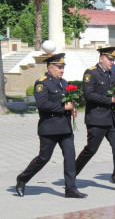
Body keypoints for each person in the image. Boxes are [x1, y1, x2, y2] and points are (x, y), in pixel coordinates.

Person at [16, 53, 86, 198]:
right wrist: (63, 108)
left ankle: (71, 189)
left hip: (65, 128)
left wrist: (72, 109)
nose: (62, 70)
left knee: (70, 157)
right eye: (59, 67)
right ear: (50, 67)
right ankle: (22, 178)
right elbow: (43, 105)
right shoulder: (42, 83)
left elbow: (67, 101)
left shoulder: (64, 83)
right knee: (44, 158)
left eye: (63, 67)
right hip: (50, 128)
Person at [75, 47, 115, 191]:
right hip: (97, 118)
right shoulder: (91, 73)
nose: (112, 62)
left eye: (113, 59)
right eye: (109, 59)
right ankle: (72, 173)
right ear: (101, 59)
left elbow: (114, 90)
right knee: (91, 149)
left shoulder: (114, 71)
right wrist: (110, 100)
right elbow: (88, 95)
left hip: (111, 118)